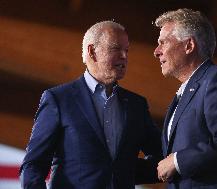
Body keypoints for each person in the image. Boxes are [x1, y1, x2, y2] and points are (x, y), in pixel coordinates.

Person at [20, 21, 162, 189]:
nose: (124, 56)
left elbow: (160, 155)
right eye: (116, 49)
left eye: (126, 50)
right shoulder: (58, 99)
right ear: (92, 52)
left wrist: (125, 171)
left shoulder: (136, 105)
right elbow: (33, 166)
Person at [153, 8, 217, 189]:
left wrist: (178, 161)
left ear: (189, 46)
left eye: (163, 42)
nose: (157, 51)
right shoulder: (182, 95)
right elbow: (165, 163)